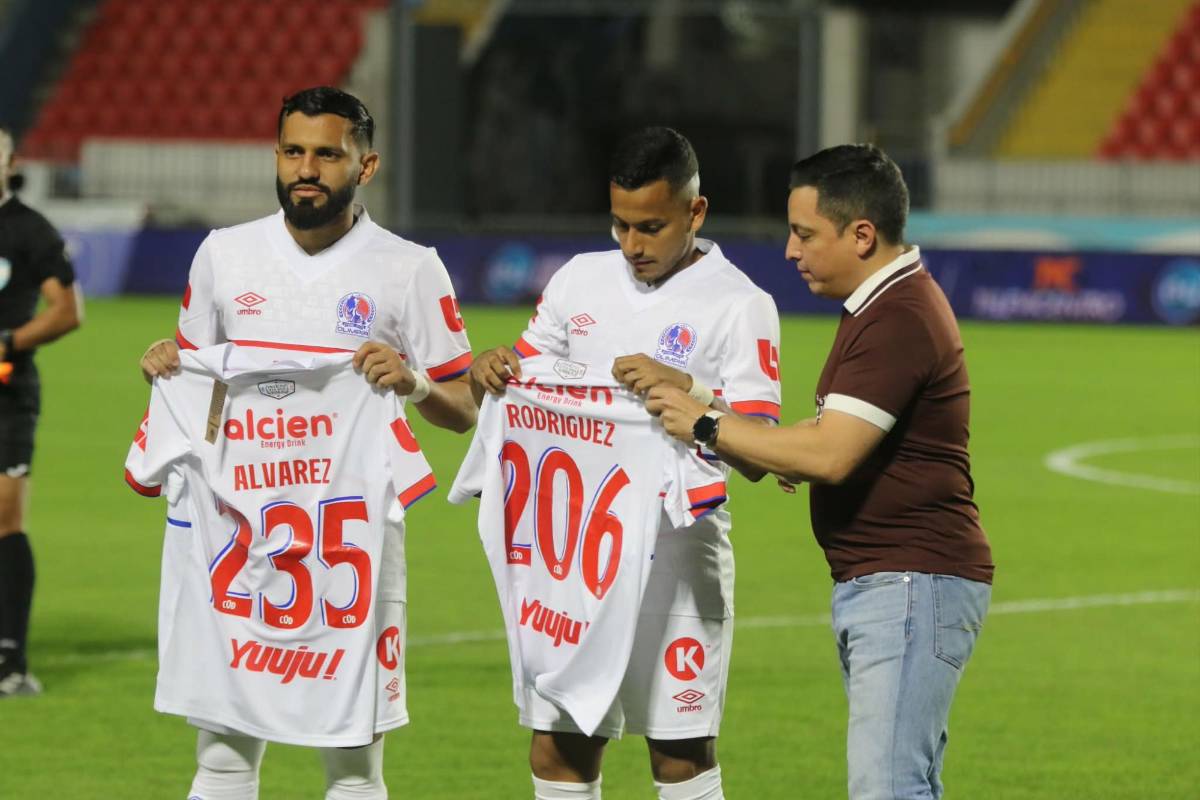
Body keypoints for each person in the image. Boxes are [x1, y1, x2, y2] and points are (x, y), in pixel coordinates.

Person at [137, 87, 477, 800]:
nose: (307, 169)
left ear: (366, 165)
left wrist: (413, 382)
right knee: (222, 756)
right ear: (276, 155)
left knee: (353, 765)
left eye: (327, 154)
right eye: (293, 151)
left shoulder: (409, 268)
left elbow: (464, 408)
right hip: (235, 541)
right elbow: (203, 395)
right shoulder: (224, 255)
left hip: (350, 552)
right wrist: (171, 367)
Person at [647, 143, 994, 800]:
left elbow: (831, 454)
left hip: (910, 580)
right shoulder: (883, 305)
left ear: (861, 234)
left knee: (888, 787)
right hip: (897, 580)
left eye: (804, 234)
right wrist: (701, 396)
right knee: (898, 783)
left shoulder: (898, 315)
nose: (790, 250)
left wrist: (705, 424)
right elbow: (822, 437)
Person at [470, 126, 783, 800]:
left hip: (677, 557)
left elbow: (761, 446)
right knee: (559, 745)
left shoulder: (741, 304)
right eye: (620, 224)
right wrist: (490, 371)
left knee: (679, 754)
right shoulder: (580, 279)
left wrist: (690, 388)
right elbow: (522, 379)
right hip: (574, 558)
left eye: (651, 226)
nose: (633, 244)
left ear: (696, 212)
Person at [0, 127, 83, 698]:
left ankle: (10, 659)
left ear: (10, 164)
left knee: (5, 521)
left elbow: (66, 310)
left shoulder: (28, 230)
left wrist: (9, 344)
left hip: (7, 396)